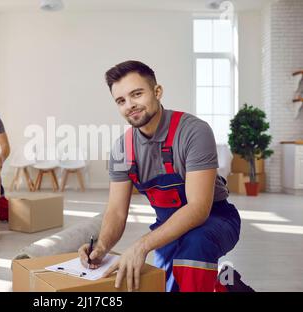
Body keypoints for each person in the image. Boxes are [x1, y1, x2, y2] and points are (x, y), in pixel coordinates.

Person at [78, 60, 247, 292]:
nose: (130, 105)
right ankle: (227, 287)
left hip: (215, 220)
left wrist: (141, 245)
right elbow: (116, 211)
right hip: (167, 228)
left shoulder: (193, 132)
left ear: (157, 92)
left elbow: (199, 208)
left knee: (194, 249)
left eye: (136, 94)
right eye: (121, 100)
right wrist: (101, 247)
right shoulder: (121, 149)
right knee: (169, 287)